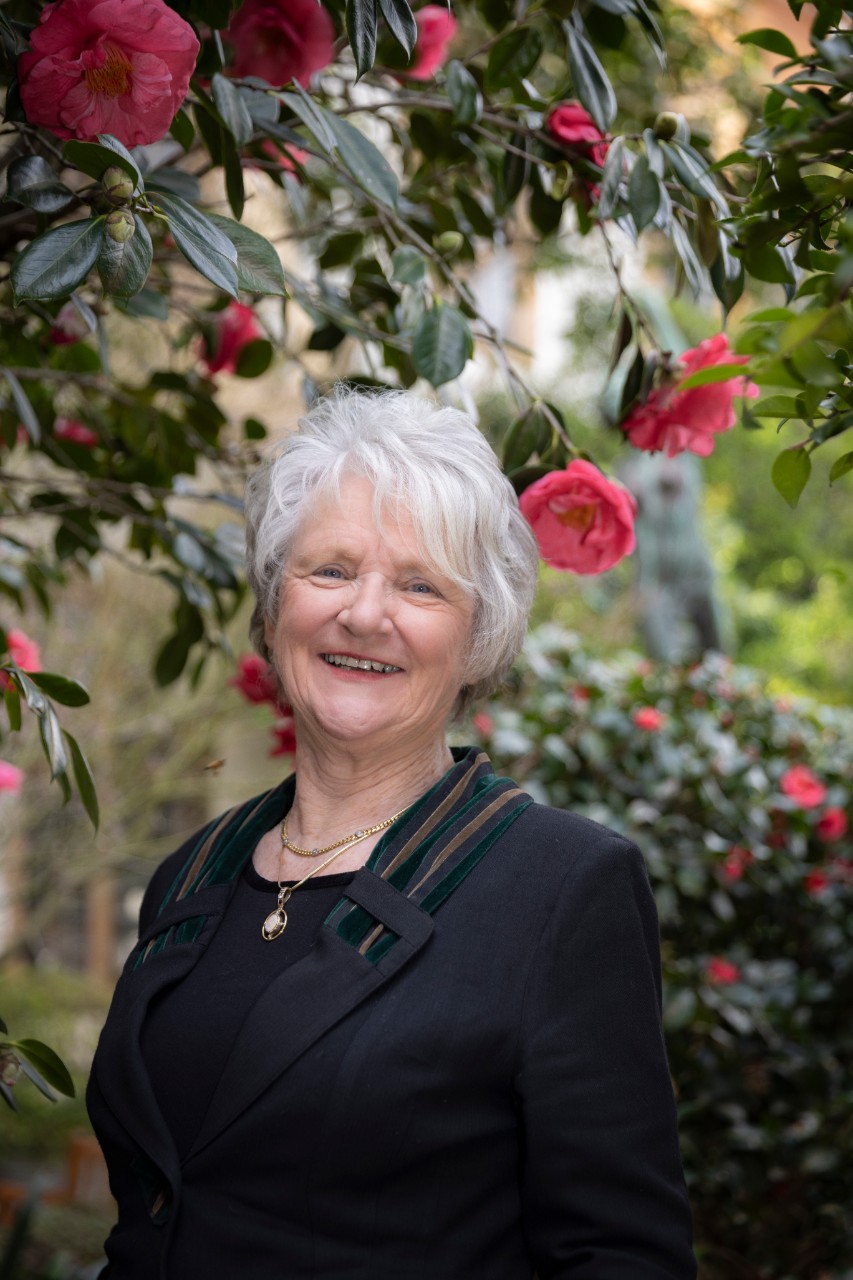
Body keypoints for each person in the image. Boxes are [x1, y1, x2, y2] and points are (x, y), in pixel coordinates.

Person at [87, 387, 696, 1279]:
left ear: (478, 637)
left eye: (418, 585)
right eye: (329, 570)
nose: (365, 614)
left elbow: (621, 1259)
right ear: (272, 605)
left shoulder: (563, 888)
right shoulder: (193, 874)